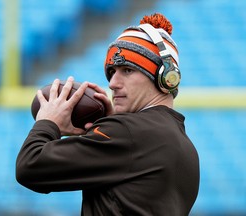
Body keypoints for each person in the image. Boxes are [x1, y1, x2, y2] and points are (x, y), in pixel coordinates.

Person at [16, 13, 200, 216]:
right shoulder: (185, 146)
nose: (113, 83)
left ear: (165, 78)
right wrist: (106, 126)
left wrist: (47, 122)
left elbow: (30, 166)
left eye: (127, 70)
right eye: (112, 72)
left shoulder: (126, 133)